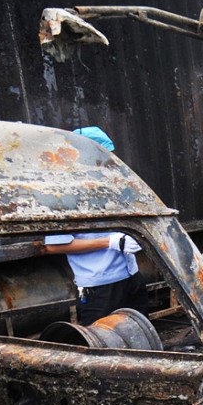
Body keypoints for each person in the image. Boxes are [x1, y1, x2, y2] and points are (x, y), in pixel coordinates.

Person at [43, 127, 148, 323]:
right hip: (99, 287)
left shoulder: (110, 186)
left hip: (131, 276)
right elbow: (54, 245)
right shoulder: (62, 194)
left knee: (141, 335)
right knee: (104, 344)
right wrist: (109, 242)